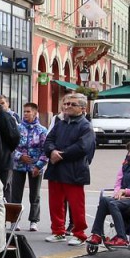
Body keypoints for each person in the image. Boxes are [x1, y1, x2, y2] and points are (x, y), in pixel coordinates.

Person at [43, 93, 96, 246]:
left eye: (72, 104)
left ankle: (80, 234)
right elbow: (48, 140)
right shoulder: (60, 123)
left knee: (76, 204)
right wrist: (51, 151)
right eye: (66, 104)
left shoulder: (86, 126)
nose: (68, 107)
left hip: (74, 170)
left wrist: (61, 155)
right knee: (55, 202)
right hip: (56, 169)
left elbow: (82, 147)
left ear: (82, 108)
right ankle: (58, 231)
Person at [88, 140, 130, 246]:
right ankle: (96, 234)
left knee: (112, 203)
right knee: (104, 200)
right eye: (129, 151)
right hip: (123, 199)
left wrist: (125, 192)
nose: (129, 154)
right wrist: (117, 194)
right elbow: (118, 184)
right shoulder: (125, 167)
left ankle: (121, 237)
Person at [10, 102, 48, 232]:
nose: (25, 114)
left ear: (35, 113)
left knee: (34, 195)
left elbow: (46, 151)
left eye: (28, 111)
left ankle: (33, 221)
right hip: (18, 166)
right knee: (16, 195)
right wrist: (20, 156)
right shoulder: (17, 128)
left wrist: (38, 166)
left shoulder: (42, 130)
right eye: (24, 111)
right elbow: (11, 147)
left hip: (35, 167)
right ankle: (14, 220)